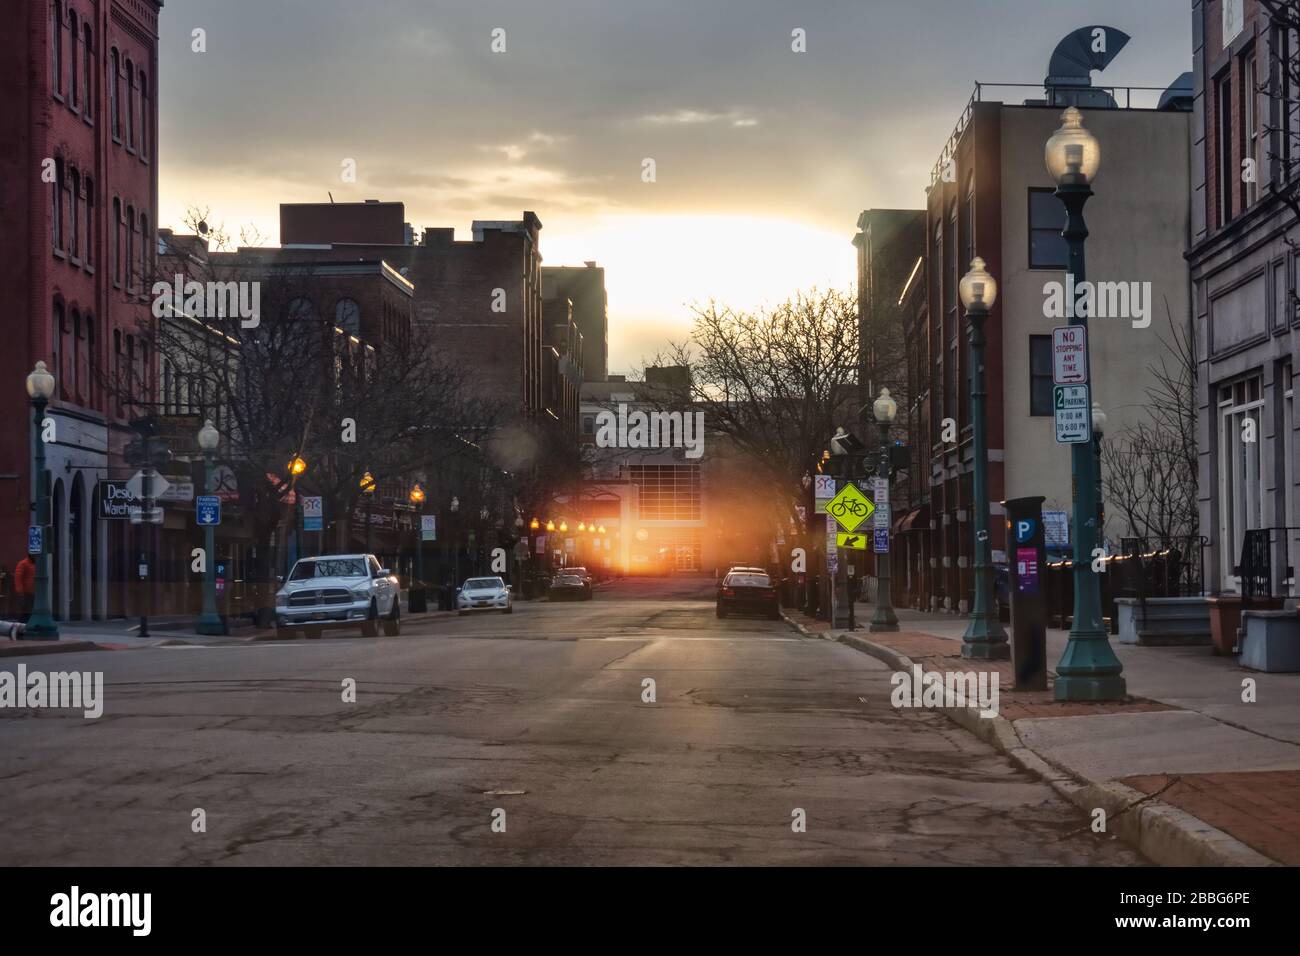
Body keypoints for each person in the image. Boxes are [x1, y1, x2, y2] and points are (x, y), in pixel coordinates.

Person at [14, 554, 36, 622]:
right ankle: (21, 626)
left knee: (28, 611)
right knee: (25, 611)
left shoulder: (35, 564)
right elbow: (18, 579)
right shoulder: (23, 564)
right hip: (26, 593)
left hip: (33, 592)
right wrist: (20, 592)